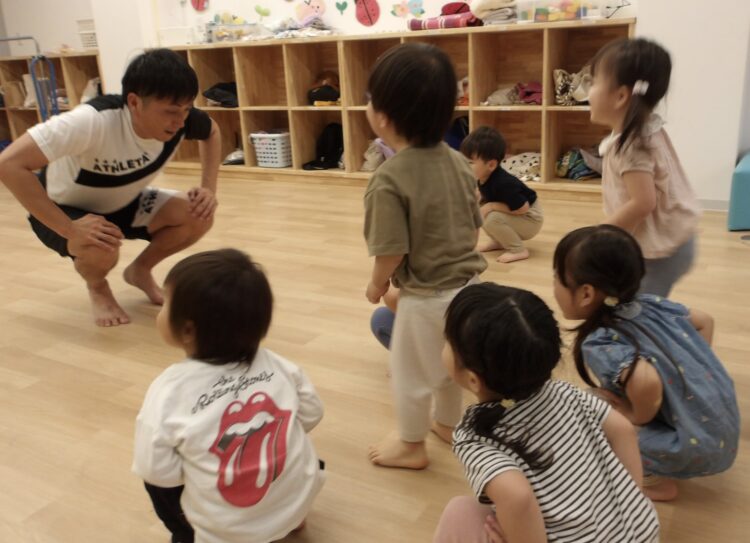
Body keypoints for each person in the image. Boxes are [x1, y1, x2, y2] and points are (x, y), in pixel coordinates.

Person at [0, 48, 222, 326]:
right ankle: (98, 287)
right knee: (100, 245)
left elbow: (212, 131)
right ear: (134, 102)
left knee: (199, 213)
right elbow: (8, 164)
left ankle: (140, 271)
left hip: (122, 202)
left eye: (187, 109)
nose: (180, 121)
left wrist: (208, 189)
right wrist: (69, 229)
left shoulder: (182, 119)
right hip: (64, 210)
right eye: (171, 112)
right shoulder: (90, 121)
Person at [434, 283, 659, 543]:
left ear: (473, 380)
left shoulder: (474, 438)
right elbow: (624, 430)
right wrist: (630, 501)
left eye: (448, 341)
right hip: (642, 530)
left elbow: (518, 497)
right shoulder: (564, 391)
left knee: (459, 512)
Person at [132, 249, 325, 543]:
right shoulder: (278, 364)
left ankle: (187, 534)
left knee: (154, 484)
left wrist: (198, 469)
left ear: (187, 330)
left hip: (228, 532)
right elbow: (312, 413)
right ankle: (291, 519)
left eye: (166, 302)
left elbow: (156, 470)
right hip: (297, 499)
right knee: (294, 439)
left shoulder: (169, 390)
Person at [363, 42, 487, 469]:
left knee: (410, 374)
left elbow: (391, 251)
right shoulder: (458, 161)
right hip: (468, 287)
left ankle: (411, 444)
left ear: (383, 117)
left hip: (426, 298)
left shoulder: (388, 179)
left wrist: (377, 285)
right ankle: (448, 424)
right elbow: (474, 226)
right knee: (448, 364)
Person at [553, 225, 739, 501]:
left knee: (591, 414)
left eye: (556, 278)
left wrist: (635, 415)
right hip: (723, 423)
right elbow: (704, 321)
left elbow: (645, 380)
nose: (554, 286)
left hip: (698, 447)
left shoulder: (600, 342)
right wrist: (692, 375)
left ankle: (654, 481)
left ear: (586, 294)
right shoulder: (651, 303)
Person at [588, 38, 700, 296]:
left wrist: (601, 234)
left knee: (642, 308)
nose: (588, 91)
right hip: (674, 240)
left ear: (620, 96)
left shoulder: (631, 146)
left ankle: (684, 320)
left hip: (660, 252)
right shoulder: (647, 130)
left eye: (593, 82)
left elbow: (643, 202)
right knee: (642, 303)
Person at [460, 126, 544, 263]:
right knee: (481, 211)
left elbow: (523, 208)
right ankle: (499, 241)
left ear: (491, 165)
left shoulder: (503, 183)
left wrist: (491, 206)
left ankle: (518, 250)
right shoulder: (483, 176)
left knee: (492, 218)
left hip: (530, 218)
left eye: (470, 162)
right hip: (517, 212)